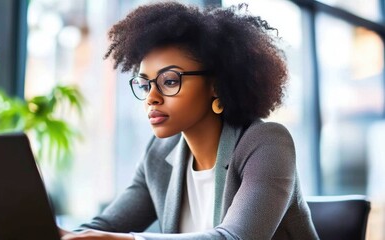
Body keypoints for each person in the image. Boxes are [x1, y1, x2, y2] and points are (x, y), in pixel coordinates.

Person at [61, 1, 319, 239]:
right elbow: (102, 229)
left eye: (170, 81)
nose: (151, 97)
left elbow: (236, 238)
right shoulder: (160, 154)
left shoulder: (266, 144)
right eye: (144, 85)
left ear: (216, 85)